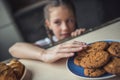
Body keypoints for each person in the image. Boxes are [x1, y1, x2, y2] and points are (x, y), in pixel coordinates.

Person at [9, 0, 87, 63]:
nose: (65, 28)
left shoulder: (80, 35)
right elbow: (13, 49)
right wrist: (44, 54)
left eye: (70, 20)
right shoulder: (46, 43)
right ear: (48, 24)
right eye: (57, 22)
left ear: (75, 19)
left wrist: (85, 36)